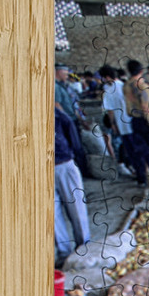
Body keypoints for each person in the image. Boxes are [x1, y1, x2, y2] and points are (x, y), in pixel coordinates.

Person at [54, 105, 90, 257]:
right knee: (52, 216)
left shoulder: (57, 115)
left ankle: (84, 247)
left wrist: (76, 158)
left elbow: (73, 139)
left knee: (77, 208)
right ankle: (64, 254)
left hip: (64, 164)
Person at [99, 64, 135, 177]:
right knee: (132, 145)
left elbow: (110, 110)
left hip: (120, 123)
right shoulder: (124, 85)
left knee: (122, 145)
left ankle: (124, 165)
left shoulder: (109, 90)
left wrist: (113, 124)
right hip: (131, 120)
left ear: (107, 77)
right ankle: (134, 167)